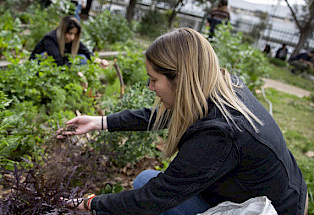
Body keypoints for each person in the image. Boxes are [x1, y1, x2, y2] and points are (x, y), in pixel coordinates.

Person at [60, 28, 308, 215]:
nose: (150, 87)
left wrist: (91, 203)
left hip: (272, 209)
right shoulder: (221, 86)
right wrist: (100, 122)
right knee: (144, 179)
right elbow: (159, 115)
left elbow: (156, 196)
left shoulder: (218, 135)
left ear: (179, 79)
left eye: (154, 79)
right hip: (268, 189)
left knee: (147, 187)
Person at [29, 15, 108, 67]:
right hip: (39, 65)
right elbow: (57, 61)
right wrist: (75, 72)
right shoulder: (50, 39)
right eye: (70, 33)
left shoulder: (71, 40)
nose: (72, 37)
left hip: (59, 64)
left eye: (74, 34)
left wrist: (98, 61)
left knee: (83, 58)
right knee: (44, 56)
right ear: (63, 31)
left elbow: (85, 52)